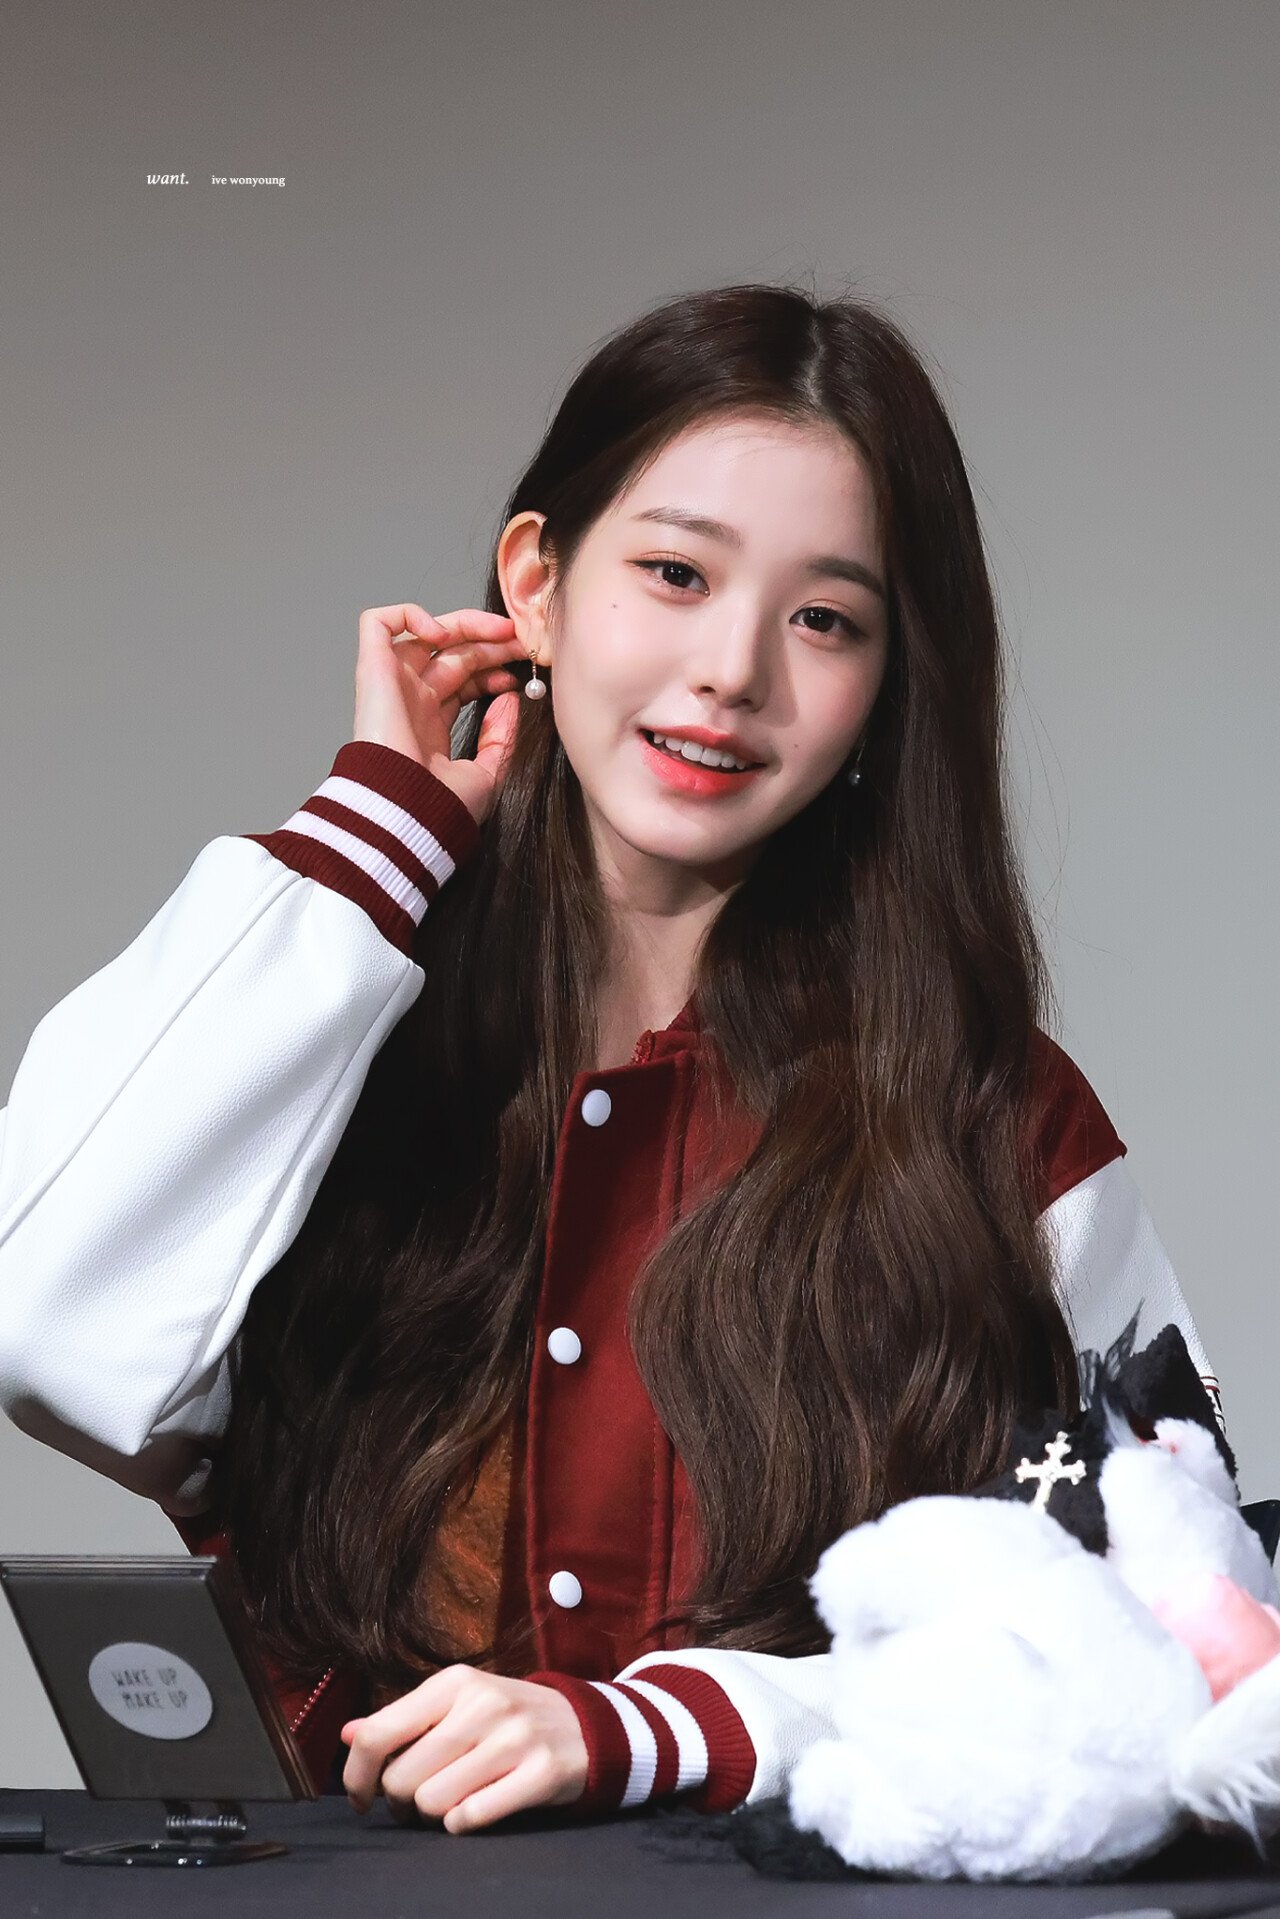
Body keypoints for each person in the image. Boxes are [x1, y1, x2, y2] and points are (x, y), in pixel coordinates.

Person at [0, 282, 1221, 1835]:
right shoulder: (318, 1026)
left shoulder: (998, 1120)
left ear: (884, 687)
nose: (733, 669)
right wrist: (374, 830)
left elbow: (1183, 1630)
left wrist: (674, 1728)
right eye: (675, 574)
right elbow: (46, 1329)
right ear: (538, 582)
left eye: (826, 620)